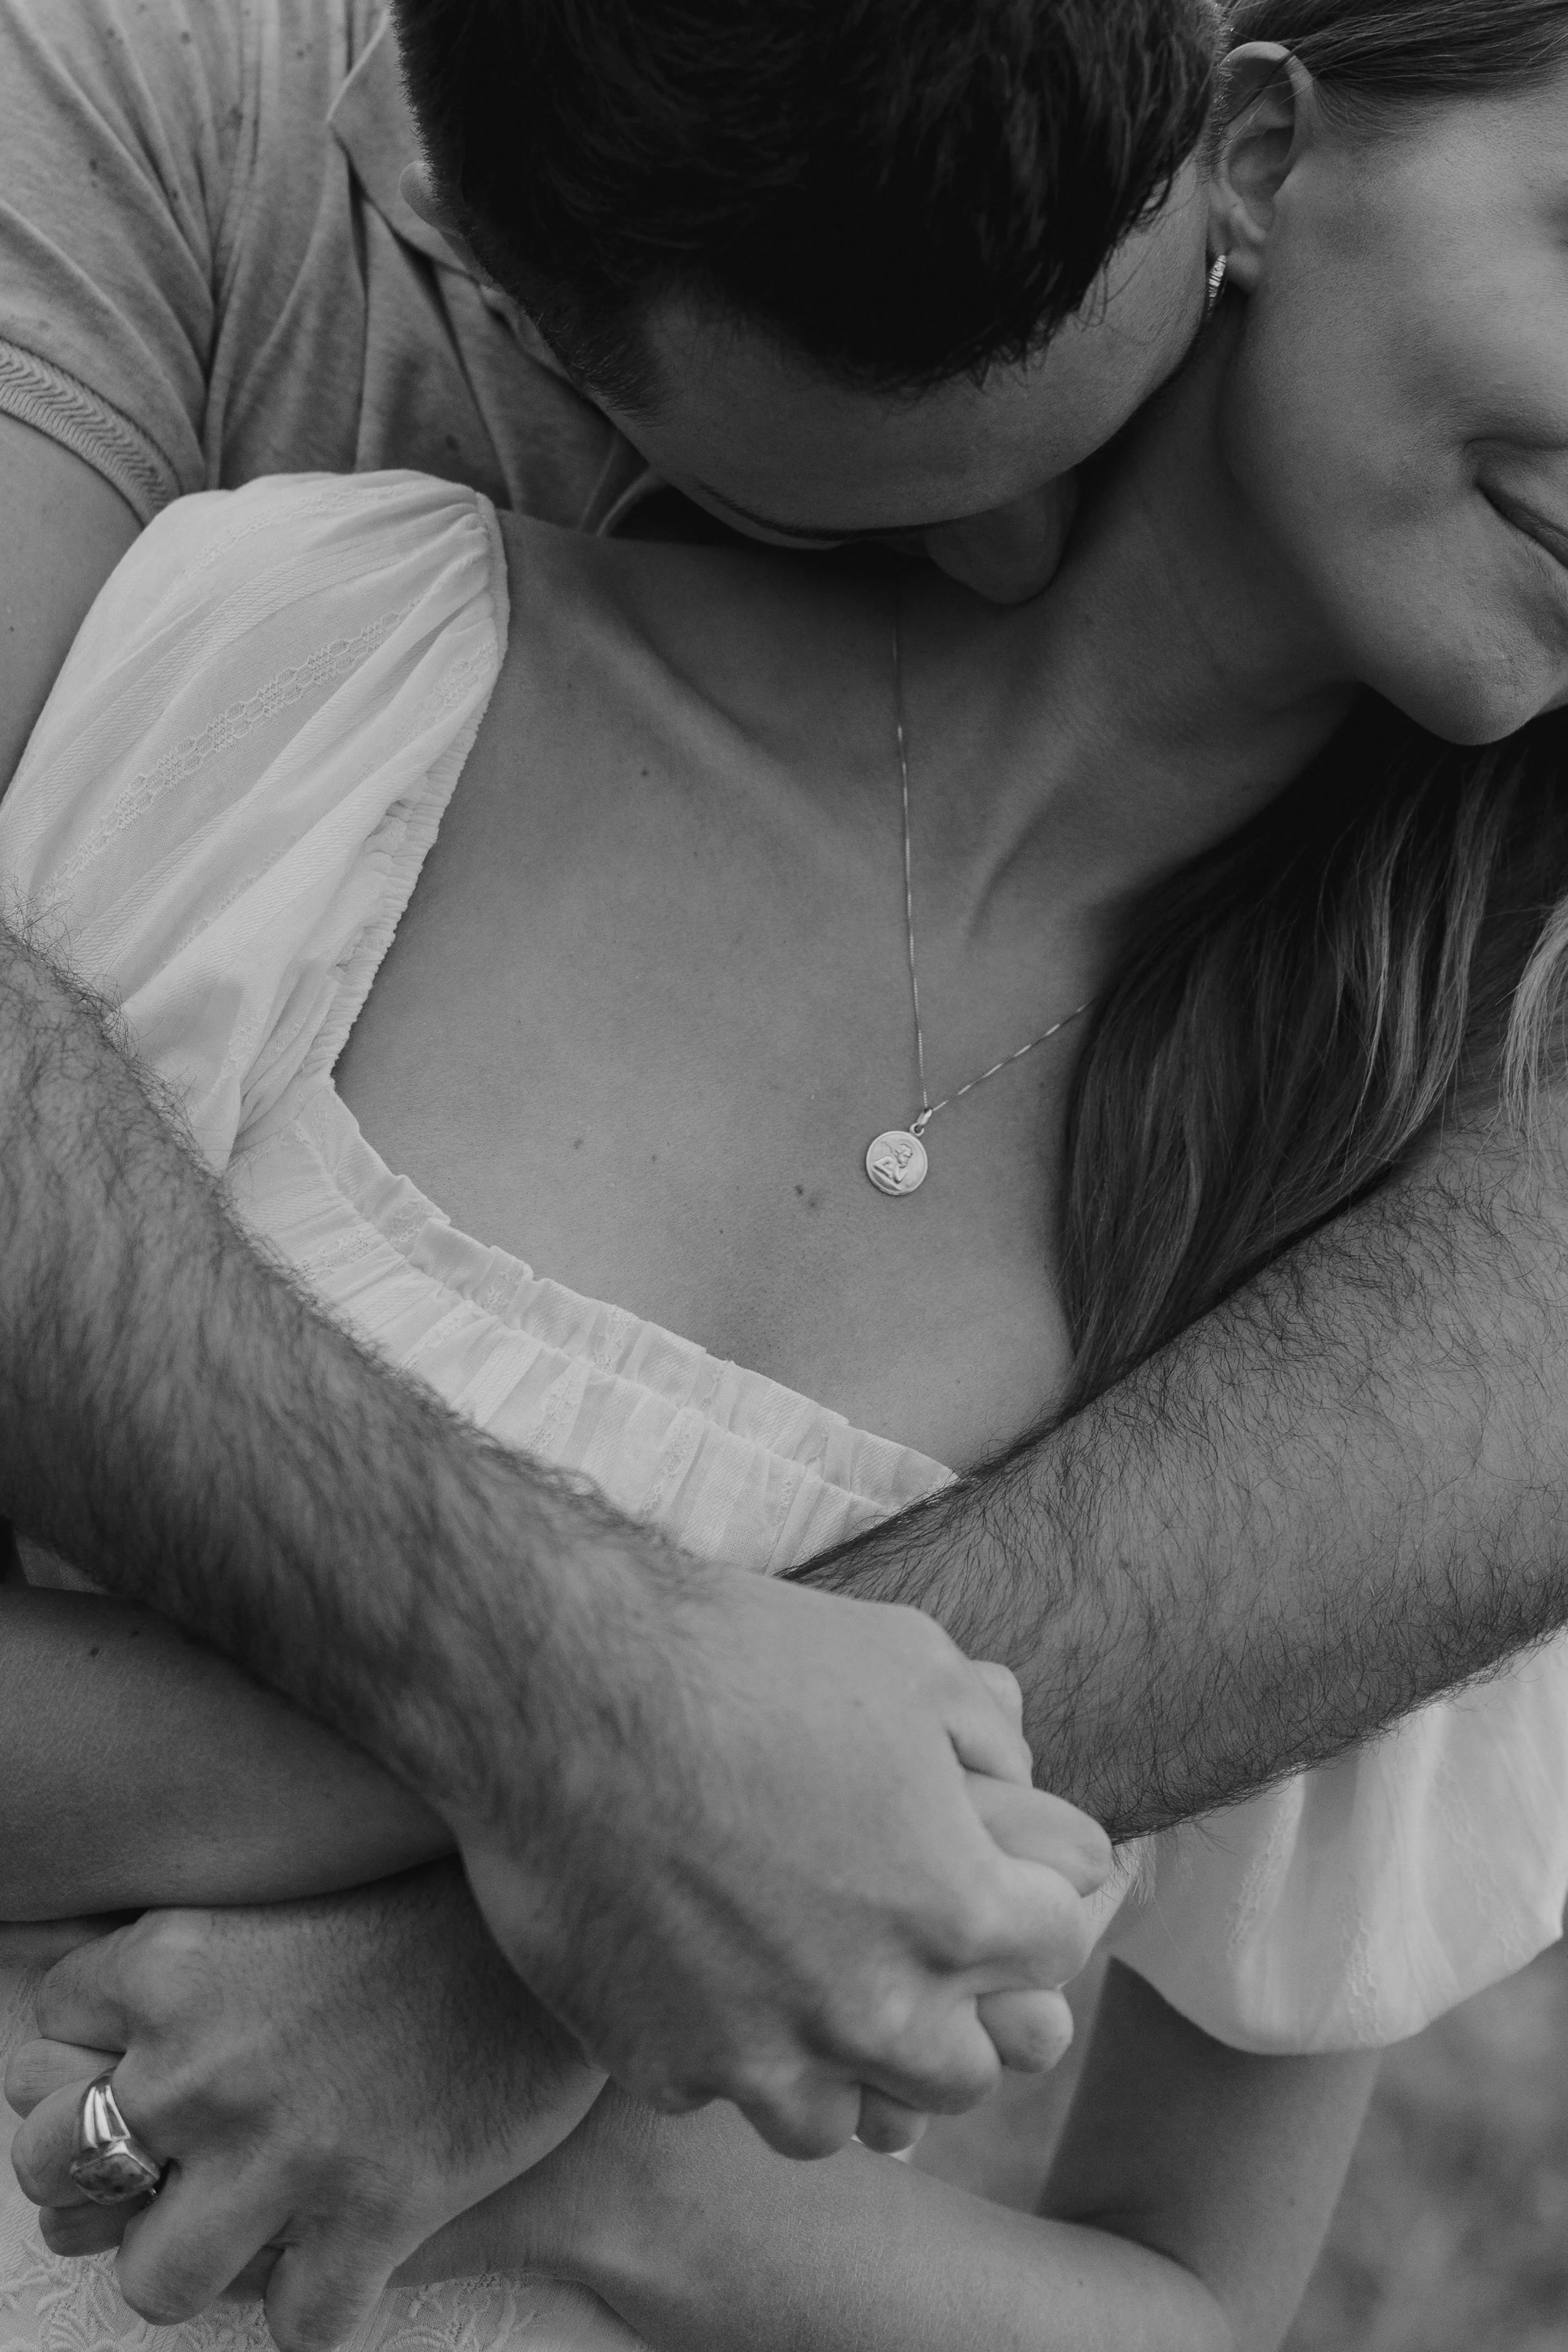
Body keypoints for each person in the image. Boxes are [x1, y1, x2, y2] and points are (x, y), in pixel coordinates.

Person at [8, 11, 1568, 2351]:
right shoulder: (344, 658)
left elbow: (1186, 2306)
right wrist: (612, 1761)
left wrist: (571, 2130)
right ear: (1253, 153)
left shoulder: (1387, 1285)